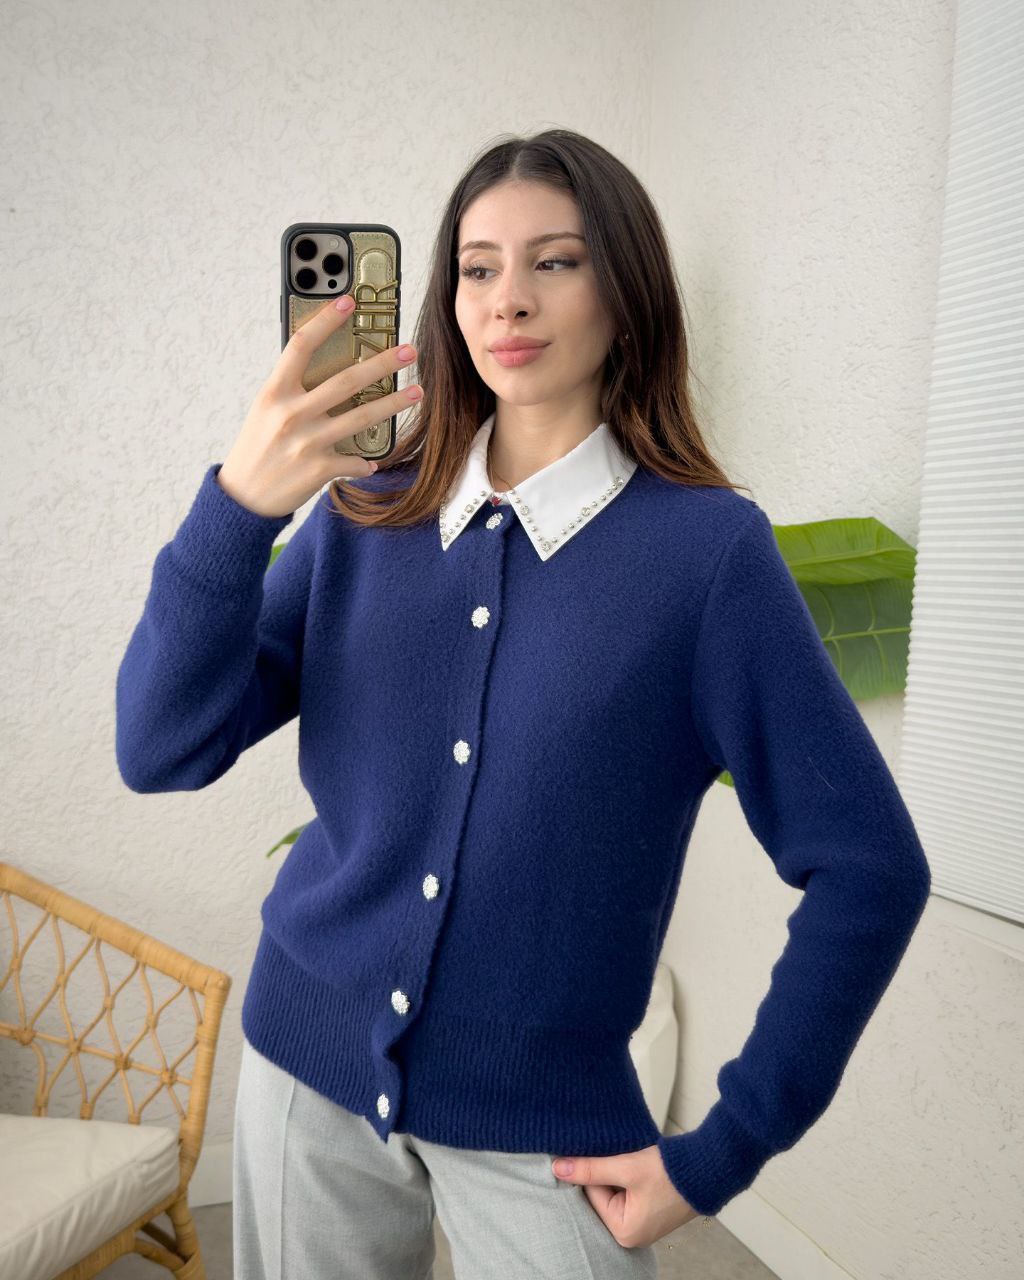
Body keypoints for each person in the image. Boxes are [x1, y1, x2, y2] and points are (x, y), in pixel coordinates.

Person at [115, 128, 932, 1279]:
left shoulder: (705, 557)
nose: (508, 298)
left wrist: (722, 1149)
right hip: (306, 1078)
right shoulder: (365, 511)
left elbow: (868, 864)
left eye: (556, 260)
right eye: (478, 266)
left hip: (551, 1129)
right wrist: (238, 509)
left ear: (625, 290)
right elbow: (160, 746)